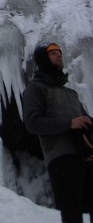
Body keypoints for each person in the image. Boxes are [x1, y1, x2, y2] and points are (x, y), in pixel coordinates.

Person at [22, 42, 93, 223]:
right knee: (72, 212)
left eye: (59, 52)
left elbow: (84, 120)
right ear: (43, 59)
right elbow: (33, 123)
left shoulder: (70, 93)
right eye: (53, 53)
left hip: (86, 156)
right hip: (62, 158)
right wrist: (69, 123)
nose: (59, 56)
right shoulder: (35, 89)